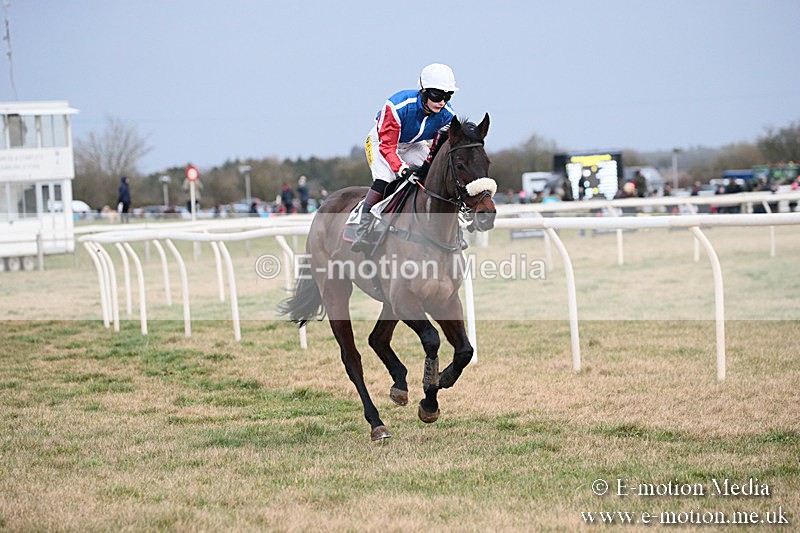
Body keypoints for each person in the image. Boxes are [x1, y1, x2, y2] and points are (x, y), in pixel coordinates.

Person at [351, 63, 458, 252]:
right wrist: (403, 169)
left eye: (447, 96)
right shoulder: (398, 106)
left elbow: (435, 148)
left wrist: (428, 165)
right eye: (437, 95)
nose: (442, 102)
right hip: (383, 143)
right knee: (386, 179)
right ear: (423, 91)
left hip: (414, 144)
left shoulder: (447, 116)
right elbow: (388, 147)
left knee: (432, 175)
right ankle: (362, 224)